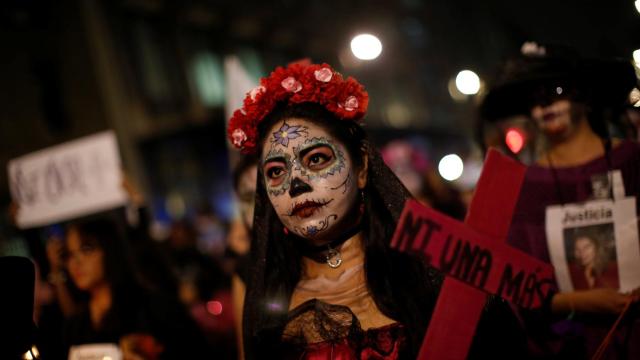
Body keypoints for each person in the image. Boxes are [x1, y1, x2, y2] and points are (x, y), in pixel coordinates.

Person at [228, 62, 526, 359]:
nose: (295, 184)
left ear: (361, 167)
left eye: (317, 159)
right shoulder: (267, 302)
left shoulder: (431, 270)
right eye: (276, 172)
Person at [480, 42, 640, 358]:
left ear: (584, 96)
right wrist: (578, 302)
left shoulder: (632, 162)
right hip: (568, 347)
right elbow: (515, 282)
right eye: (534, 100)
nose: (545, 105)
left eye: (556, 89)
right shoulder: (526, 186)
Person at [60, 214, 211, 359]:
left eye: (86, 249)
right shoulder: (75, 325)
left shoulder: (152, 308)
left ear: (110, 248)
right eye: (69, 254)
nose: (76, 262)